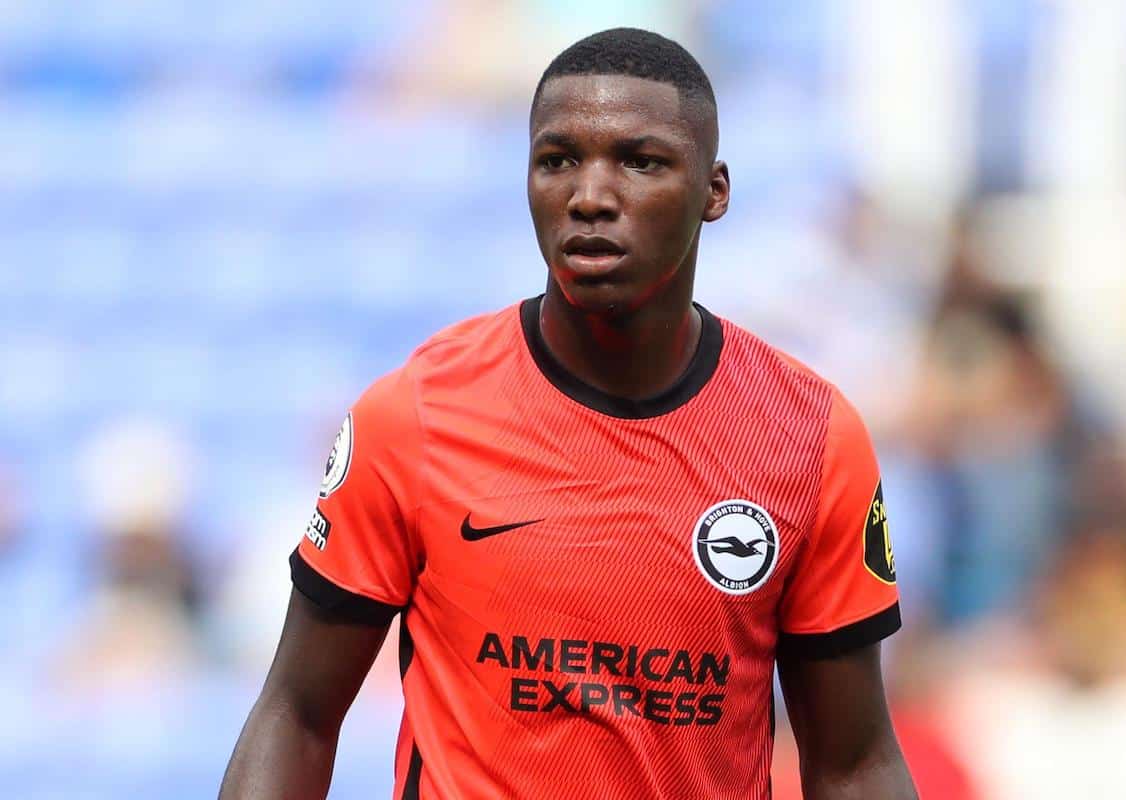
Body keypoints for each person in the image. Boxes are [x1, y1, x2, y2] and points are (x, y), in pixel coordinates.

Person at [220, 28, 916, 800]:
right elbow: (298, 712)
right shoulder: (414, 417)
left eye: (639, 161)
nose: (590, 195)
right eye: (558, 161)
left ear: (714, 192)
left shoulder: (812, 439)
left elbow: (853, 763)